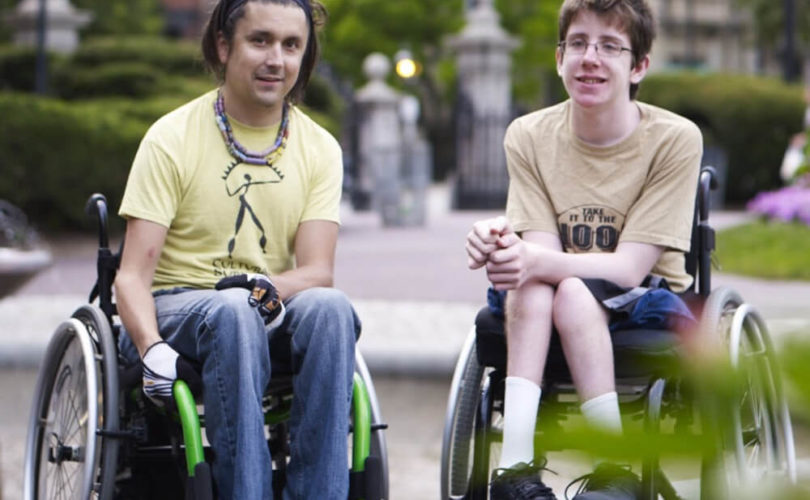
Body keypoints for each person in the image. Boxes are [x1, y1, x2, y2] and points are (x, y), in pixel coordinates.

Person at [113, 1, 359, 498]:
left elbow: (316, 271)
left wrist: (265, 287)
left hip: (265, 306)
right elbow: (131, 277)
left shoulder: (320, 148)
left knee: (331, 308)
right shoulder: (171, 138)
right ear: (224, 46)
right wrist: (151, 348)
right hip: (180, 307)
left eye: (291, 45)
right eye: (260, 40)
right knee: (232, 311)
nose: (276, 60)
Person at [465, 1, 702, 499]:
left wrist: (530, 260)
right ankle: (513, 471)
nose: (590, 57)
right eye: (578, 43)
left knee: (568, 288)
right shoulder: (528, 135)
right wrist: (501, 243)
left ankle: (614, 467)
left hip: (645, 296)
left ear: (638, 66)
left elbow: (629, 268)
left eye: (610, 46)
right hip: (548, 295)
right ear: (559, 58)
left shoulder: (675, 140)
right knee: (536, 284)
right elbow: (538, 253)